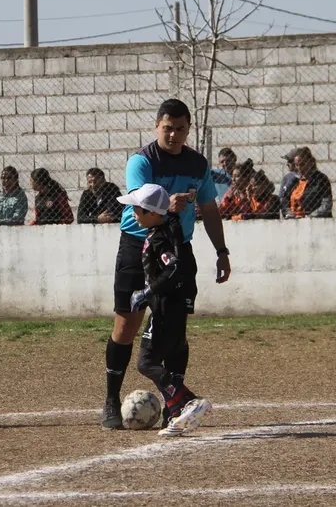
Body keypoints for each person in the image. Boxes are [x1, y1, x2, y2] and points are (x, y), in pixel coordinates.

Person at [102, 98, 230, 431]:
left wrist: (221, 251)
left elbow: (209, 209)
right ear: (157, 126)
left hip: (177, 248)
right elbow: (144, 206)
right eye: (168, 128)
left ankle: (176, 406)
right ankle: (111, 400)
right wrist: (168, 205)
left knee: (175, 331)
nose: (173, 135)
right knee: (126, 326)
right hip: (138, 246)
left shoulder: (197, 164)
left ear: (189, 129)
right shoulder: (142, 161)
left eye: (180, 129)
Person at [120, 183, 213, 437]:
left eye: (136, 210)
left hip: (164, 308)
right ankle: (175, 413)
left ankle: (189, 401)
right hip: (174, 306)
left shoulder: (159, 238)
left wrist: (147, 292)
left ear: (151, 212)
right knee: (170, 359)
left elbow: (173, 267)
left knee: (146, 362)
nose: (133, 214)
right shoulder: (169, 226)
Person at [287, 147, 333, 218]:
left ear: (310, 163)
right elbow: (285, 201)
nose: (299, 168)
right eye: (297, 165)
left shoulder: (320, 179)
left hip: (314, 220)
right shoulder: (294, 180)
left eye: (303, 164)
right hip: (294, 220)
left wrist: (308, 218)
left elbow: (326, 205)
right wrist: (290, 214)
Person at [277, 148, 300, 219]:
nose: (287, 164)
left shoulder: (308, 177)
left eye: (290, 161)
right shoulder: (287, 178)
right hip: (289, 214)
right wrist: (288, 212)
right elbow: (282, 198)